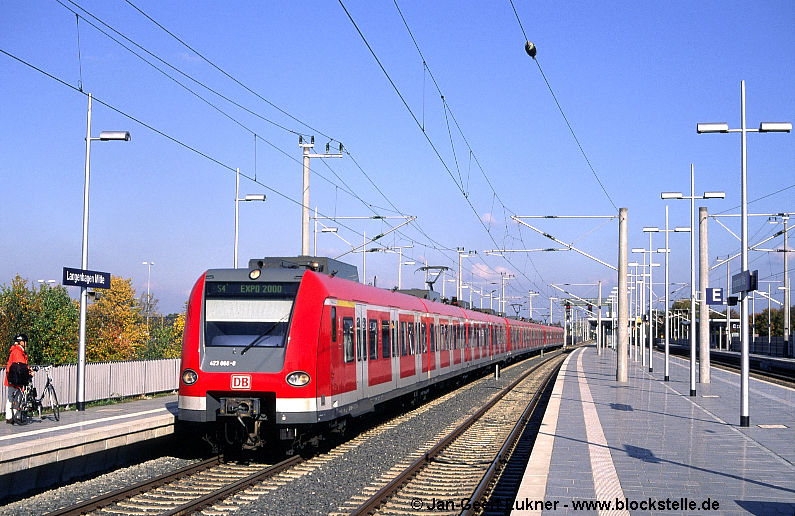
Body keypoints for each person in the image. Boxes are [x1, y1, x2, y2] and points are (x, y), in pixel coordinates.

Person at [4, 334, 30, 423]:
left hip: (14, 377)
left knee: (12, 398)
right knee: (15, 398)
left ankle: (11, 417)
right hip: (15, 378)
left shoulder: (17, 350)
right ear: (21, 342)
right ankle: (13, 417)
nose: (26, 343)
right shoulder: (17, 351)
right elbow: (21, 365)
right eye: (25, 341)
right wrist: (29, 371)